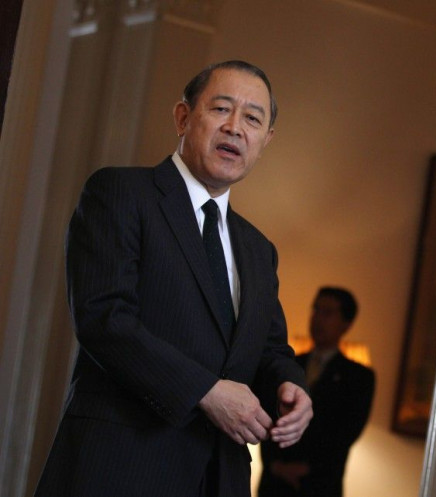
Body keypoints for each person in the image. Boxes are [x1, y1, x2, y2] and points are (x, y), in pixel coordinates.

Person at [34, 60, 313, 497]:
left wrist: (289, 385)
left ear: (265, 140)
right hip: (122, 470)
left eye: (253, 119)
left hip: (219, 477)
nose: (236, 128)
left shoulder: (259, 249)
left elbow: (269, 349)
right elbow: (103, 319)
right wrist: (205, 392)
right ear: (183, 117)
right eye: (221, 109)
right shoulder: (121, 193)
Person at [258, 287, 375, 497]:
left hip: (319, 486)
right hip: (274, 483)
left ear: (346, 324)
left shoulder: (359, 376)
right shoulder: (287, 363)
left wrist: (308, 469)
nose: (317, 318)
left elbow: (347, 432)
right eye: (315, 310)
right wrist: (275, 465)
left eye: (327, 312)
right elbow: (266, 410)